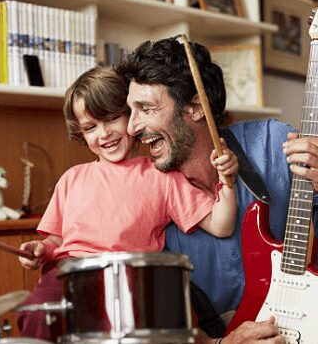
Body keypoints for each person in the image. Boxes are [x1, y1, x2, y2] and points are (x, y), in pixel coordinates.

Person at [116, 37, 318, 344]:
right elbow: (144, 322)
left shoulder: (271, 141)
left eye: (145, 108)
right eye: (129, 111)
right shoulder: (139, 189)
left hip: (307, 308)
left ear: (195, 107)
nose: (132, 127)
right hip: (215, 334)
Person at [16, 66, 239, 340]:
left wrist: (226, 182)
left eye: (112, 118)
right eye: (90, 127)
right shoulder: (72, 179)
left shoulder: (162, 175)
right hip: (70, 272)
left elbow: (221, 225)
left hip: (131, 276)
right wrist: (40, 250)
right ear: (80, 133)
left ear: (131, 116)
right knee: (36, 312)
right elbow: (54, 242)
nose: (104, 133)